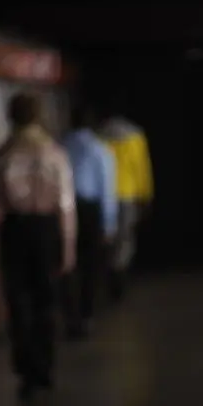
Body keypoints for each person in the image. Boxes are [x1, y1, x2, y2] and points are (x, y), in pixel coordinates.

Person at [0, 91, 76, 401]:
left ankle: (26, 370)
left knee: (19, 301)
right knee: (46, 300)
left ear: (10, 117)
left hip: (14, 230)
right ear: (38, 116)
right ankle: (45, 366)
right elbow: (65, 205)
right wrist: (67, 247)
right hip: (47, 230)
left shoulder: (1, 155)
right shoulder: (54, 154)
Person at [63, 104, 118, 336]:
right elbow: (107, 190)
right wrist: (108, 224)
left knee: (66, 263)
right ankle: (85, 314)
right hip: (89, 211)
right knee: (89, 265)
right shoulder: (100, 149)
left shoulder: (60, 146)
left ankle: (69, 314)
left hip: (63, 209)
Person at [99, 107, 154, 300]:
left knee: (107, 236)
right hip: (128, 193)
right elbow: (141, 167)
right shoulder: (135, 135)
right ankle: (119, 272)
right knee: (125, 237)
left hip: (105, 194)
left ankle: (109, 273)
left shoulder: (99, 135)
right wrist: (146, 194)